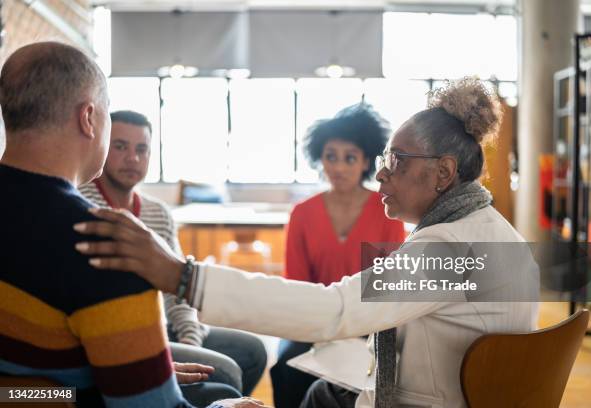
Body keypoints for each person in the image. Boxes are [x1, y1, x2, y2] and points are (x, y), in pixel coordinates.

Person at [75, 78, 540, 408]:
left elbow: (334, 308)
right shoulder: (493, 232)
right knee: (317, 390)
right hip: (450, 388)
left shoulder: (448, 252)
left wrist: (182, 276)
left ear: (443, 173)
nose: (380, 172)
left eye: (395, 161)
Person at [0, 41, 267, 408]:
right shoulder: (109, 243)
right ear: (89, 118)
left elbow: (17, 392)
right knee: (225, 392)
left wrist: (76, 392)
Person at [79, 110, 267, 396]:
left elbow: (177, 289)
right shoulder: (81, 205)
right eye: (120, 147)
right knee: (227, 373)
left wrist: (191, 340)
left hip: (162, 328)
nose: (133, 158)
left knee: (254, 351)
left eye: (142, 149)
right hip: (121, 336)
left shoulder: (158, 213)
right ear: (102, 147)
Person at [273, 104, 405, 408]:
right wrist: (321, 330)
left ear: (365, 162)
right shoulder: (302, 214)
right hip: (312, 322)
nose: (339, 167)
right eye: (331, 156)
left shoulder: (387, 213)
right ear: (319, 158)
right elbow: (296, 284)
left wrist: (355, 329)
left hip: (368, 326)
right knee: (285, 367)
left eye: (350, 158)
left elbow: (389, 285)